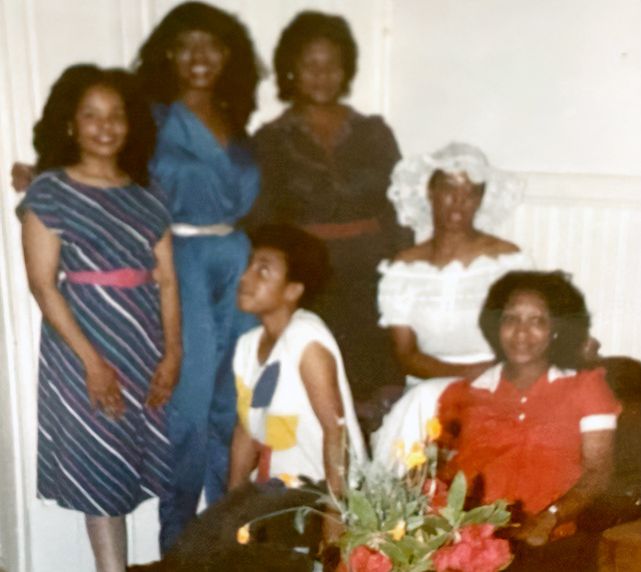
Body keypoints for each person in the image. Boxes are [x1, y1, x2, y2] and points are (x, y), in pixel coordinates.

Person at [18, 64, 180, 572]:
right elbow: (42, 284)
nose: (105, 126)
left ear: (131, 125)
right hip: (84, 343)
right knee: (102, 470)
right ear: (70, 124)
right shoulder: (49, 192)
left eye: (116, 115)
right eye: (91, 115)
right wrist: (91, 363)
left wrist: (173, 353)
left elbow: (167, 280)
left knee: (131, 464)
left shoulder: (148, 193)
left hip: (143, 343)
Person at [133, 1, 261, 552]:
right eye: (185, 45)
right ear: (168, 55)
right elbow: (104, 168)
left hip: (237, 257)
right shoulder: (151, 119)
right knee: (186, 406)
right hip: (179, 258)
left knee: (234, 402)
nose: (199, 56)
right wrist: (46, 171)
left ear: (229, 55)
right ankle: (178, 545)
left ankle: (228, 540)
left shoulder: (237, 118)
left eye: (211, 45)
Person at [247, 11, 408, 408]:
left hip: (373, 275)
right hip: (310, 278)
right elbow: (263, 222)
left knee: (373, 385)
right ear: (291, 70)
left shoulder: (375, 133)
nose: (322, 75)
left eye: (332, 65)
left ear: (346, 70)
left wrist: (404, 271)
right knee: (314, 386)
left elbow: (400, 209)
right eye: (310, 65)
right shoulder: (270, 140)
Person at [437, 270, 621, 570]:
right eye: (511, 319)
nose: (522, 332)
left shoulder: (585, 387)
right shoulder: (467, 392)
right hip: (472, 545)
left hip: (550, 544)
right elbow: (444, 471)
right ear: (496, 325)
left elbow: (598, 472)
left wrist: (550, 518)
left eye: (537, 321)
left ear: (556, 329)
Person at [371, 142, 532, 466]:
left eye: (470, 192)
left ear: (481, 199)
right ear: (430, 192)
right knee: (407, 473)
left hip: (496, 385)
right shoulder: (403, 268)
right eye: (449, 188)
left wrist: (487, 377)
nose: (459, 200)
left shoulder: (507, 260)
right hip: (425, 390)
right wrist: (464, 375)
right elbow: (406, 354)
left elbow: (526, 335)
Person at [229, 224, 366, 549]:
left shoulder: (306, 339)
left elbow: (336, 431)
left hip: (319, 496)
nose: (245, 278)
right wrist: (231, 510)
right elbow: (246, 430)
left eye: (263, 271)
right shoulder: (248, 346)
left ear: (292, 290)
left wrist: (335, 515)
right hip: (274, 494)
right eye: (249, 266)